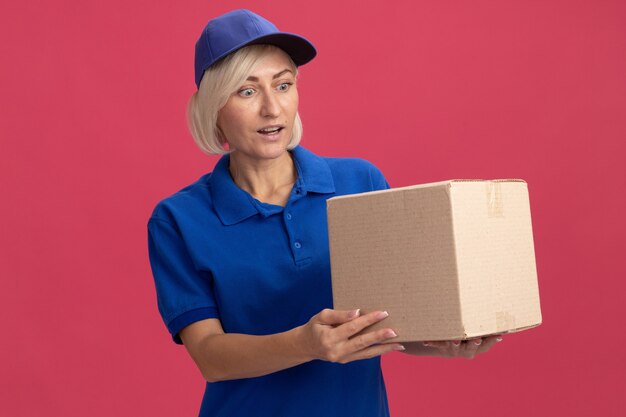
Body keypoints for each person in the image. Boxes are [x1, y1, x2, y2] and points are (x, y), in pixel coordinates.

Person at [147, 9, 501, 417]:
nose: (272, 108)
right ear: (213, 109)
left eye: (283, 84)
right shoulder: (178, 220)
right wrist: (307, 343)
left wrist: (445, 339)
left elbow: (385, 321)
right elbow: (210, 356)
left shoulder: (360, 182)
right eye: (247, 91)